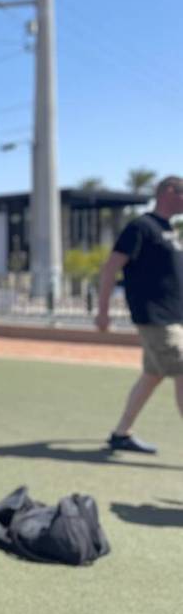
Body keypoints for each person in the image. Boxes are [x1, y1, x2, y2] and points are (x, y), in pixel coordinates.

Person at [96, 175, 183, 454]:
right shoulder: (141, 227)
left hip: (174, 316)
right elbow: (110, 269)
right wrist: (103, 312)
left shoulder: (170, 230)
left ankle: (121, 434)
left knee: (152, 375)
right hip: (155, 318)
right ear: (169, 191)